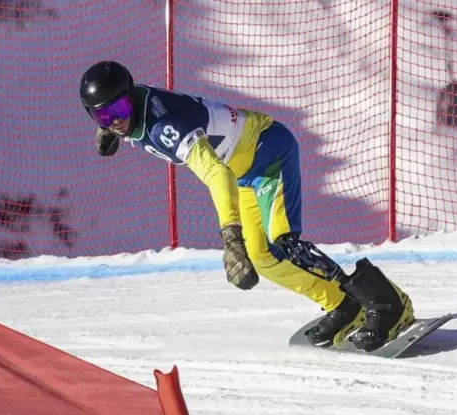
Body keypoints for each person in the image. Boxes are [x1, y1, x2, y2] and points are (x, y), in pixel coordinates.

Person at [78, 60, 415, 351]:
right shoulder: (133, 111)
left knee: (285, 243)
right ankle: (342, 304)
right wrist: (112, 130)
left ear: (131, 98)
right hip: (246, 174)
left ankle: (387, 303)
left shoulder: (165, 127)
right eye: (104, 115)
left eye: (120, 110)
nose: (115, 120)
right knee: (263, 257)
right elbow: (124, 113)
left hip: (268, 151)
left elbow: (216, 173)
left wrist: (231, 237)